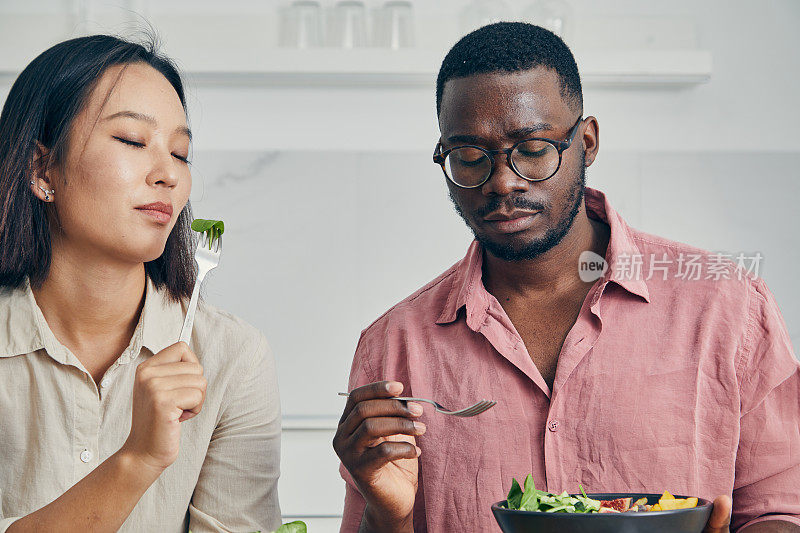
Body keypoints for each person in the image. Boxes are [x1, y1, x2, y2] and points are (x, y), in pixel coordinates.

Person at [333, 22, 800, 533]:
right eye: (469, 157)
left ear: (588, 142)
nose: (503, 182)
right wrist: (389, 514)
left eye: (533, 149)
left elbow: (779, 511)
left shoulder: (728, 309)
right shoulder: (394, 347)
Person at [0, 35, 281, 532]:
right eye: (132, 141)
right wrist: (139, 459)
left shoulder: (233, 356)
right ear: (42, 167)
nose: (169, 175)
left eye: (180, 152)